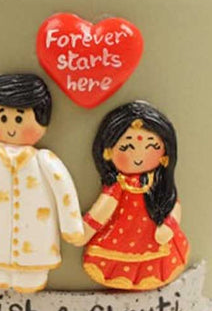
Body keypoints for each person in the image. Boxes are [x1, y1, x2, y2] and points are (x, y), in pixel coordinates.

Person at [0, 73, 84, 293]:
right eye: (2, 118)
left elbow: (63, 191)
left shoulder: (44, 160)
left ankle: (30, 279)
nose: (11, 127)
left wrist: (71, 226)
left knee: (32, 276)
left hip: (35, 235)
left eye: (19, 119)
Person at [78, 101, 189, 290]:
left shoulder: (159, 184)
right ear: (107, 152)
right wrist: (85, 231)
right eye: (126, 147)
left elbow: (173, 204)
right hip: (119, 240)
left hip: (153, 242)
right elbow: (103, 210)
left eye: (151, 146)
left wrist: (169, 225)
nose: (138, 156)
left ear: (165, 154)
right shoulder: (118, 185)